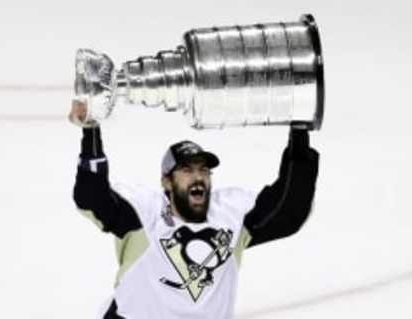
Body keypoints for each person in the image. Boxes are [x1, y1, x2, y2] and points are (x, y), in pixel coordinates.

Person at [70, 100, 320, 319]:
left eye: (203, 170)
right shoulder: (144, 213)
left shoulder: (231, 215)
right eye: (187, 170)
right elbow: (92, 196)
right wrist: (91, 133)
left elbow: (289, 209)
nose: (198, 177)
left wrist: (299, 134)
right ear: (166, 181)